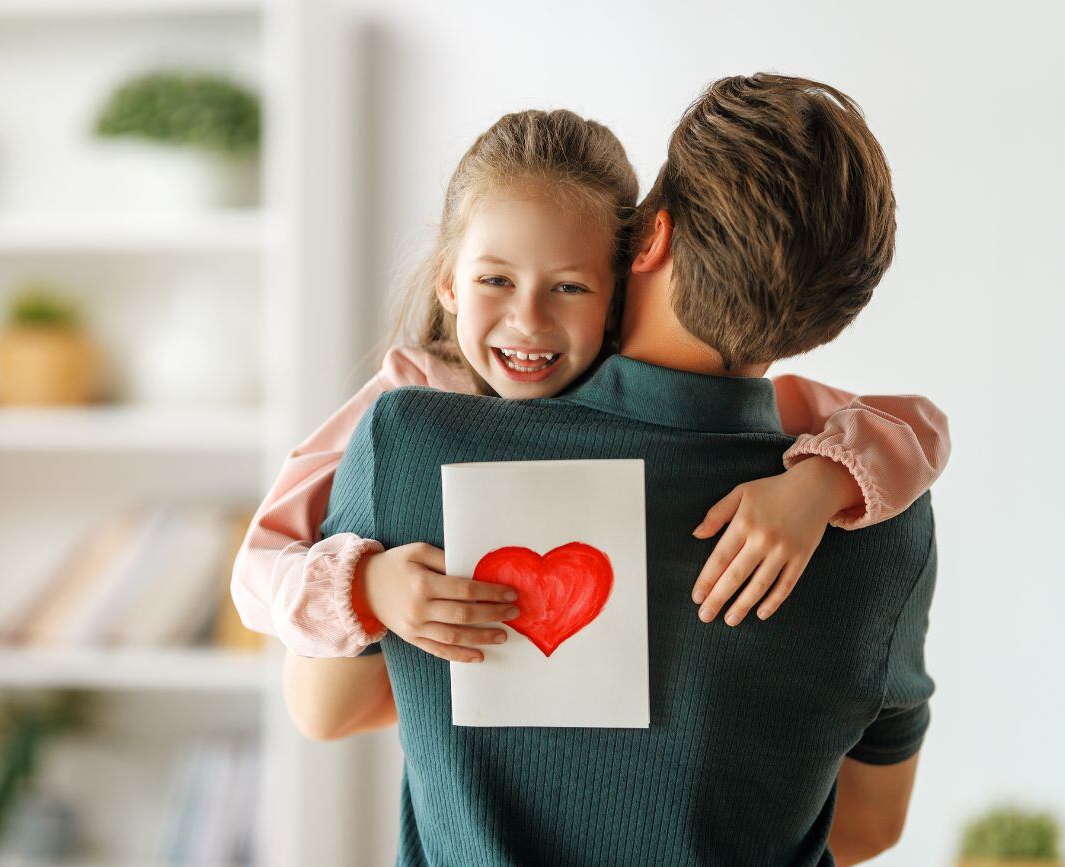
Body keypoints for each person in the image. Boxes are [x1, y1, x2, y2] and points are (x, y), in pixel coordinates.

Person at [285, 74, 941, 866]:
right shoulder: (875, 516)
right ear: (828, 316)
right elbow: (871, 826)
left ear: (651, 237)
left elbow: (326, 708)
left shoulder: (411, 442)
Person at [231, 109, 948, 669]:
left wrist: (819, 485)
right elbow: (257, 569)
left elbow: (918, 425)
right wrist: (369, 586)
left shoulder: (647, 387)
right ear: (450, 278)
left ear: (622, 281)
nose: (528, 320)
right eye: (495, 280)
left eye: (569, 286)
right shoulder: (413, 395)